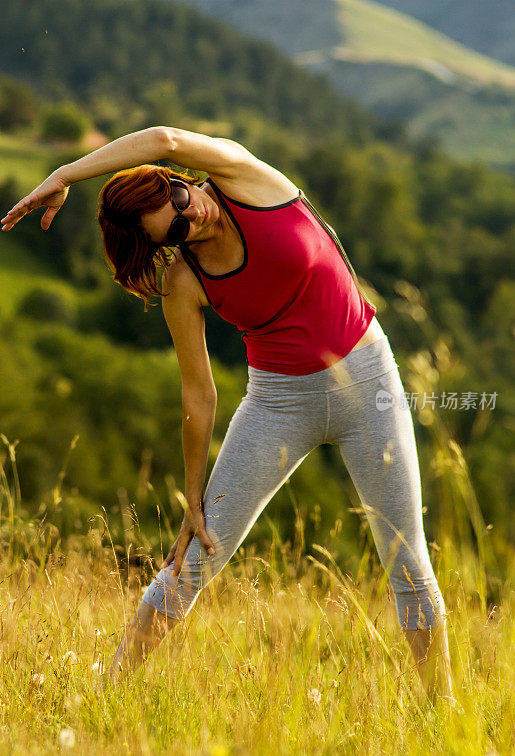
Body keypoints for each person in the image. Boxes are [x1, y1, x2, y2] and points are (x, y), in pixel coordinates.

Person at [1, 126, 454, 703]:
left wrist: (65, 174)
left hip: (368, 381)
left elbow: (164, 135)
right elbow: (198, 392)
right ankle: (108, 696)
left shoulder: (247, 183)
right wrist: (192, 499)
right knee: (193, 561)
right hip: (277, 403)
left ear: (180, 181)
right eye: (179, 231)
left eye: (184, 202)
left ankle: (442, 713)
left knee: (408, 561)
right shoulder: (183, 281)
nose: (198, 219)